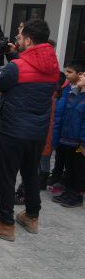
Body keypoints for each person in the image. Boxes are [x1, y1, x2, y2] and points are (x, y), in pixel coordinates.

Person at [0, 19, 60, 241]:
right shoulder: (53, 64)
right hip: (37, 131)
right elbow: (28, 73)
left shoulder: (17, 68)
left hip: (13, 130)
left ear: (29, 40)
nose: (17, 39)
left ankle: (5, 223)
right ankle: (32, 216)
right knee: (30, 173)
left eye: (20, 37)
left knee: (6, 176)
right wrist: (14, 56)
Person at [49, 70, 85, 208]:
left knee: (78, 170)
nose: (81, 76)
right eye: (81, 74)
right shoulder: (73, 94)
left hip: (79, 142)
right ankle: (68, 192)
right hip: (67, 139)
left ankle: (76, 196)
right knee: (69, 168)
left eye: (84, 75)